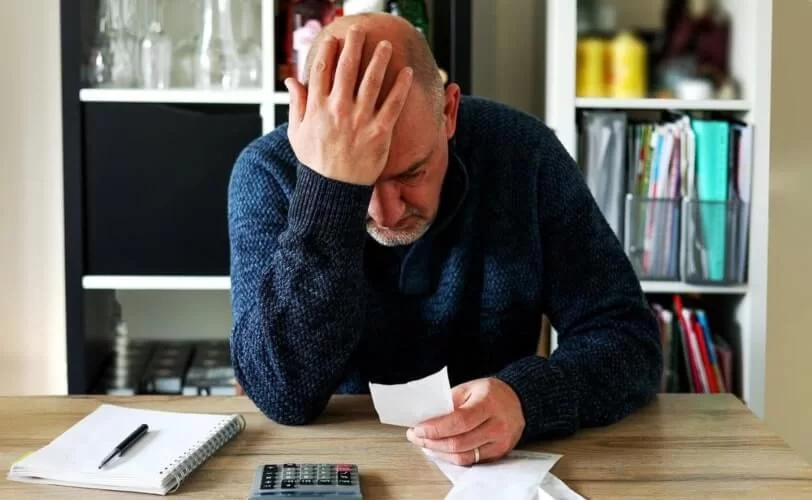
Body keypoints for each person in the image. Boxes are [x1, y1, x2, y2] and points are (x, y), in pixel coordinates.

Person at [227, 12, 662, 466]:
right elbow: (282, 395)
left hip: (497, 466)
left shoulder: (523, 154)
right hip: (337, 462)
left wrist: (527, 400)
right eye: (364, 187)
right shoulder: (267, 172)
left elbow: (629, 339)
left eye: (411, 173)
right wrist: (328, 191)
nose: (387, 214)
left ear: (449, 112)